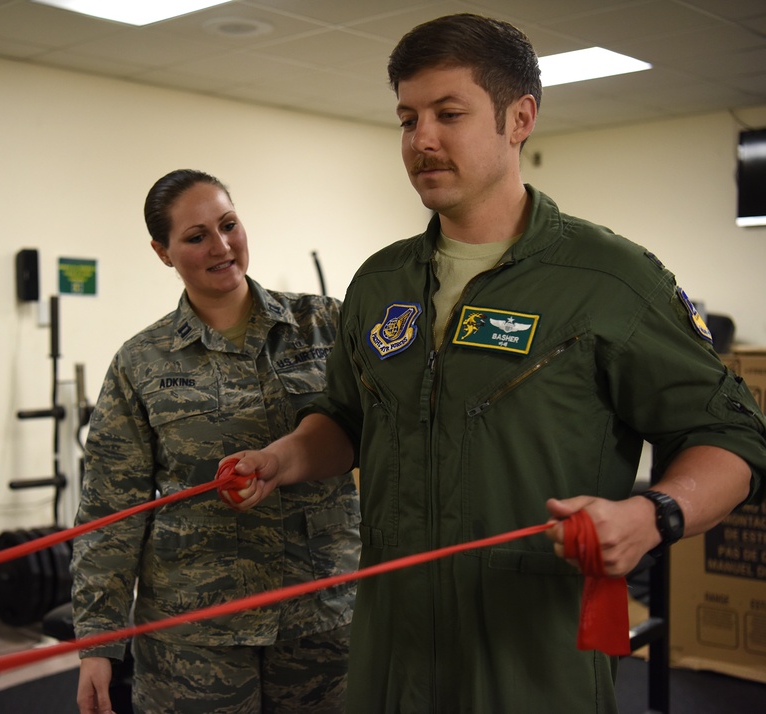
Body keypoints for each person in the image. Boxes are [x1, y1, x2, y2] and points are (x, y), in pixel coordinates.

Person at [223, 13, 766, 713]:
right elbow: (349, 419)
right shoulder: (380, 282)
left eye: (449, 113)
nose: (422, 139)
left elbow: (733, 437)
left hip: (530, 659)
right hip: (392, 651)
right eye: (407, 118)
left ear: (519, 118)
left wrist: (653, 512)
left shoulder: (610, 280)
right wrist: (284, 458)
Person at [71, 169, 361, 714]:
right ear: (163, 252)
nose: (221, 246)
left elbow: (382, 437)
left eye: (229, 225)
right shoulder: (142, 362)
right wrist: (98, 640)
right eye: (196, 236)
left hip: (323, 620)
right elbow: (112, 509)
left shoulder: (324, 325)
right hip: (196, 637)